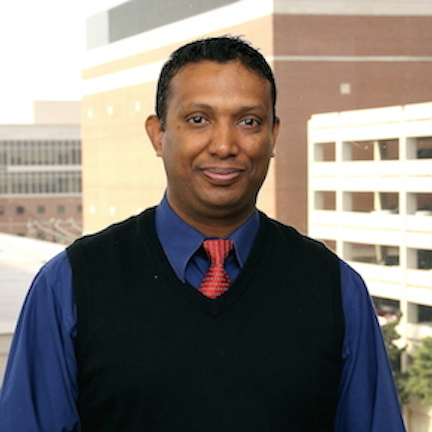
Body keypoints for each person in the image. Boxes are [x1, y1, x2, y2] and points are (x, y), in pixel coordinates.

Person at [0, 36, 405, 431]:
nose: (224, 145)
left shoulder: (335, 289)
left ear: (273, 135)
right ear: (158, 134)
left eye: (249, 121)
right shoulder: (71, 284)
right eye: (198, 119)